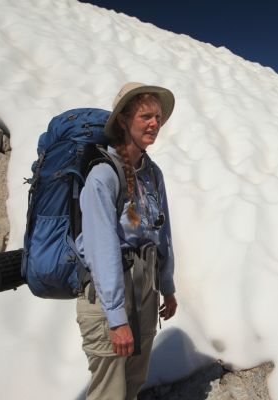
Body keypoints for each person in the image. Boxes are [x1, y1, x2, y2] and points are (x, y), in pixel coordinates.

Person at [75, 82, 178, 400]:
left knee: (131, 388)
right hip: (108, 301)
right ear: (122, 120)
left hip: (145, 293)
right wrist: (117, 318)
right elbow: (101, 249)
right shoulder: (103, 175)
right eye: (146, 116)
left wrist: (167, 286)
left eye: (158, 118)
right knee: (110, 392)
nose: (154, 124)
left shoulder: (152, 174)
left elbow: (162, 234)